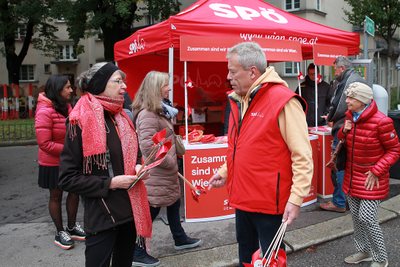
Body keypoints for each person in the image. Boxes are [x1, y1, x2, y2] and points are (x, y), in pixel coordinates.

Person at [208, 42, 313, 266]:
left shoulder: (282, 101)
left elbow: (302, 155)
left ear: (252, 72)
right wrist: (225, 172)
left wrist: (296, 199)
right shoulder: (240, 100)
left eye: (233, 71)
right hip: (243, 199)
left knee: (270, 261)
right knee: (247, 258)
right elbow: (241, 146)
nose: (228, 77)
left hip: (269, 204)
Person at [58, 62, 152, 267]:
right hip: (102, 216)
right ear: (100, 84)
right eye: (118, 81)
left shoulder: (121, 116)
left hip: (129, 211)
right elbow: (67, 178)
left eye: (123, 81)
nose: (124, 86)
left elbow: (133, 155)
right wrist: (110, 183)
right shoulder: (79, 120)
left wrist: (138, 167)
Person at [131, 71, 202, 267]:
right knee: (151, 210)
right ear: (155, 88)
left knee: (172, 203)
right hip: (158, 173)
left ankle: (179, 238)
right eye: (165, 85)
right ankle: (136, 250)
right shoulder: (147, 114)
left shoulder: (160, 110)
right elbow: (147, 146)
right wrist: (170, 163)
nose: (169, 88)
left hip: (165, 172)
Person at [338, 82, 399, 267]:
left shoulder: (382, 121)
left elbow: (395, 150)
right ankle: (363, 251)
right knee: (357, 218)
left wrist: (376, 170)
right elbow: (342, 141)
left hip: (372, 179)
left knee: (367, 217)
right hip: (352, 176)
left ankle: (380, 258)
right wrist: (344, 130)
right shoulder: (349, 118)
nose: (347, 101)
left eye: (351, 98)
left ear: (362, 101)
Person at [35, 74, 85, 250]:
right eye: (68, 87)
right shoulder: (44, 111)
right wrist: (69, 150)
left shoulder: (67, 107)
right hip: (52, 163)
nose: (71, 90)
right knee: (56, 196)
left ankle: (72, 227)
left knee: (74, 192)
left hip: (69, 161)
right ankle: (59, 231)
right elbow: (44, 143)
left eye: (71, 87)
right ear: (57, 90)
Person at [321, 56, 368, 213]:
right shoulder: (358, 77)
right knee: (347, 165)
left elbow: (339, 104)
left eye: (335, 69)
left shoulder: (348, 80)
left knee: (339, 164)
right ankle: (348, 199)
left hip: (344, 127)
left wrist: (330, 117)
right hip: (352, 127)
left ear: (341, 68)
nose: (335, 72)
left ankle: (339, 202)